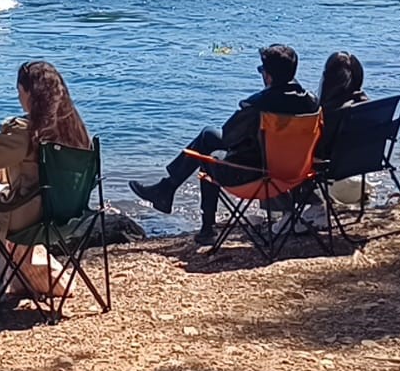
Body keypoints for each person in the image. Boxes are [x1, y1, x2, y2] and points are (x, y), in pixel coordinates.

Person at [128, 45, 318, 245]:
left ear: (269, 77)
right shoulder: (312, 103)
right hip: (297, 173)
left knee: (208, 151)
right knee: (209, 136)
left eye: (262, 70)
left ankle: (204, 227)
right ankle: (166, 190)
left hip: (257, 175)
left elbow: (229, 136)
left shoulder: (258, 106)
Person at [0, 61, 93, 309]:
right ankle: (5, 281)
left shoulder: (27, 130)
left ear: (30, 94)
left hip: (33, 218)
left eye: (19, 91)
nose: (18, 97)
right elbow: (43, 170)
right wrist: (3, 172)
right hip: (70, 214)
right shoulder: (73, 127)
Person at [314, 51, 367, 160]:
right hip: (362, 162)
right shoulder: (370, 107)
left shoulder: (327, 113)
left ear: (328, 79)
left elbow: (318, 150)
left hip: (331, 166)